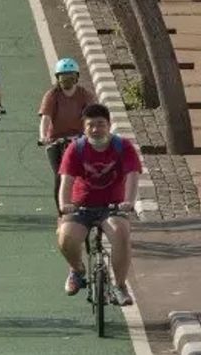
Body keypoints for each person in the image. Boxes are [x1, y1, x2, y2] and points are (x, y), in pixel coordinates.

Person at [57, 103, 140, 306]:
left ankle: (119, 286)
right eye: (90, 125)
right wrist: (64, 204)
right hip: (81, 206)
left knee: (120, 232)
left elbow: (132, 175)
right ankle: (77, 270)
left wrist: (128, 201)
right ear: (84, 128)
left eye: (101, 124)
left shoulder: (123, 147)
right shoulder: (75, 149)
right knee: (65, 237)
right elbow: (66, 181)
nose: (96, 129)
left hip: (112, 207)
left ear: (109, 125)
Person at [39, 57, 96, 207]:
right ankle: (61, 212)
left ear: (77, 77)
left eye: (71, 77)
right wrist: (43, 136)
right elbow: (45, 118)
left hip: (79, 138)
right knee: (60, 174)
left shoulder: (84, 94)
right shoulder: (52, 95)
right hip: (56, 140)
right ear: (58, 79)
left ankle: (89, 204)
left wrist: (92, 134)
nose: (67, 81)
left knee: (89, 172)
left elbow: (94, 115)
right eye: (63, 78)